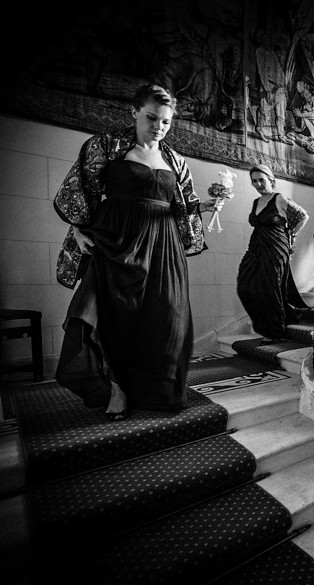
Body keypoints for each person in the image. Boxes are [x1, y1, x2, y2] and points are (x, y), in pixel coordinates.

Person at [53, 83, 220, 419]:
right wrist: (77, 227)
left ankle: (154, 389)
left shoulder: (175, 159)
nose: (159, 126)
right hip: (117, 240)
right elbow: (79, 186)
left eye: (166, 122)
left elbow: (181, 205)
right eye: (152, 118)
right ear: (134, 112)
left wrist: (206, 205)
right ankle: (115, 387)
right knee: (113, 317)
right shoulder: (107, 144)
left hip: (162, 247)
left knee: (167, 319)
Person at [237, 164, 310, 343]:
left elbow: (303, 216)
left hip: (276, 247)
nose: (258, 184)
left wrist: (291, 235)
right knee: (245, 285)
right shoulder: (256, 202)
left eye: (261, 180)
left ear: (270, 179)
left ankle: (274, 331)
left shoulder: (279, 198)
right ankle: (272, 323)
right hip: (256, 246)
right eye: (254, 181)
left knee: (270, 287)